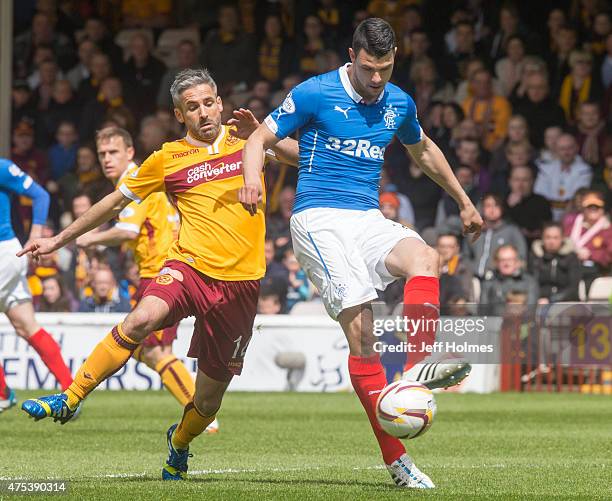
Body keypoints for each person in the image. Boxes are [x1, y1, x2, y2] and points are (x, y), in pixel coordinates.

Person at [19, 68, 299, 480]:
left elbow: (304, 158)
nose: (203, 113)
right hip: (188, 268)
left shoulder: (247, 139)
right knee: (140, 319)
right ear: (179, 115)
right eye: (192, 108)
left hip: (241, 287)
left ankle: (180, 443)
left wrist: (262, 133)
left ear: (219, 104)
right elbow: (114, 202)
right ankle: (71, 396)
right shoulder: (167, 158)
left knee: (207, 403)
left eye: (208, 103)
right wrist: (58, 240)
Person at [240, 18, 483, 489]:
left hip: (366, 218)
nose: (377, 79)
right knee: (363, 333)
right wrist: (253, 176)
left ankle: (414, 372)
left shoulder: (398, 102)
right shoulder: (314, 93)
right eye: (370, 68)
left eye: (386, 69)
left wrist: (464, 201)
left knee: (426, 259)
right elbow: (258, 139)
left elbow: (424, 149)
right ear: (352, 56)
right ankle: (398, 460)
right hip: (318, 221)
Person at [74, 126, 204, 420]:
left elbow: (128, 230)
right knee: (147, 349)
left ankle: (201, 416)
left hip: (161, 271)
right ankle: (199, 412)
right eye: (102, 154)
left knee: (155, 351)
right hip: (165, 266)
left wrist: (89, 237)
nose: (107, 159)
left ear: (129, 152)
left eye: (113, 152)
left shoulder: (135, 180)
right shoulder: (140, 177)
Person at [0, 158, 73, 413]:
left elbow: (40, 195)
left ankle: (2, 394)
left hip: (4, 253)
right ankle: (71, 390)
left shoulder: (1, 167)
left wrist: (35, 234)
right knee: (26, 325)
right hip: (8, 258)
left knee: (26, 326)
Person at [464, 193, 527, 279]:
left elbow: (522, 256)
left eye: (496, 205)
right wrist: (472, 268)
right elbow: (465, 255)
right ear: (481, 208)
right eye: (488, 206)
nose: (492, 209)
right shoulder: (473, 231)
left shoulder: (512, 230)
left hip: (500, 280)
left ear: (502, 208)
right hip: (474, 278)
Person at [534, 133, 593, 220]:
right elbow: (540, 196)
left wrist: (564, 221)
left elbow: (577, 197)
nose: (566, 152)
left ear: (577, 148)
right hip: (547, 215)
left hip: (573, 216)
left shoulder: (584, 170)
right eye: (562, 149)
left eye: (570, 148)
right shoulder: (546, 168)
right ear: (556, 150)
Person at [479, 244, 539, 316]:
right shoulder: (489, 282)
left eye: (510, 259)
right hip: (495, 323)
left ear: (517, 262)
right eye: (502, 260)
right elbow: (483, 311)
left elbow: (531, 309)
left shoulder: (529, 282)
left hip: (521, 323)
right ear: (496, 262)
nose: (506, 263)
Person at [529, 222, 580, 303]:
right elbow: (531, 284)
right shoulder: (536, 257)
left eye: (556, 238)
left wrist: (551, 300)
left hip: (565, 303)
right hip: (540, 302)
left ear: (562, 238)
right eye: (548, 237)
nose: (551, 241)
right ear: (542, 238)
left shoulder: (571, 257)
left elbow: (573, 288)